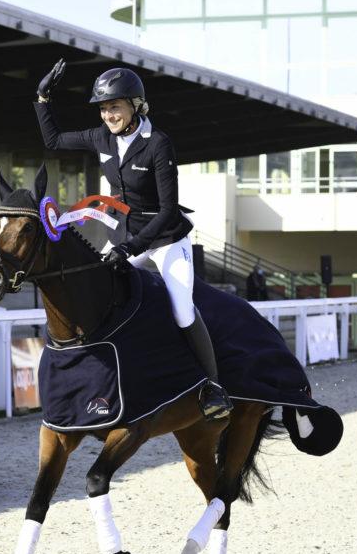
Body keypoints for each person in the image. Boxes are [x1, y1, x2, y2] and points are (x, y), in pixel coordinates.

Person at [34, 60, 231, 419]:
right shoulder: (101, 137)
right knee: (96, 293)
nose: (108, 115)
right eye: (104, 108)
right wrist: (43, 97)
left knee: (182, 310)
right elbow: (53, 139)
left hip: (165, 239)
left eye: (115, 107)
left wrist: (131, 248)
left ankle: (213, 387)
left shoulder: (158, 143)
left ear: (135, 105)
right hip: (124, 235)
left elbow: (168, 210)